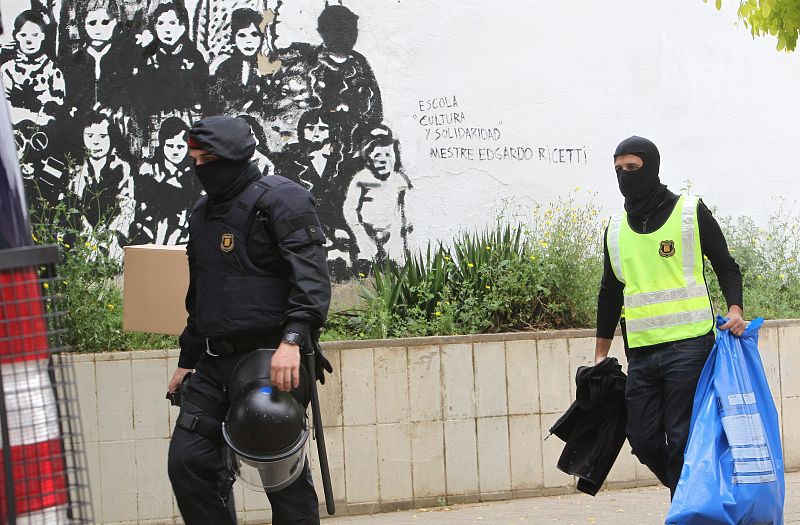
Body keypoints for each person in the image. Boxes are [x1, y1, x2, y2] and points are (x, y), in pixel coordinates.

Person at [166, 116, 331, 525]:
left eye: (209, 159)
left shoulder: (282, 199)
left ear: (237, 157)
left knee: (280, 472)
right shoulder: (203, 211)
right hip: (213, 361)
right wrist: (187, 358)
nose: (200, 168)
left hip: (272, 357)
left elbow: (310, 279)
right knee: (188, 462)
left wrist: (292, 341)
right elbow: (203, 292)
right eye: (195, 159)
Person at [593, 136, 745, 498]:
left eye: (632, 168)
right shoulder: (615, 229)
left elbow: (726, 265)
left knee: (681, 439)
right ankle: (696, 497)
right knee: (643, 440)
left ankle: (688, 509)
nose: (625, 176)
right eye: (618, 170)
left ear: (653, 167)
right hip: (642, 353)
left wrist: (735, 309)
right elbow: (609, 293)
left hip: (690, 348)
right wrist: (600, 354)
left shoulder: (691, 212)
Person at [272, 109, 358, 278]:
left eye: (323, 128)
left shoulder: (341, 161)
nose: (316, 133)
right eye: (310, 128)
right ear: (301, 131)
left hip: (336, 225)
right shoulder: (290, 161)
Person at [343, 134, 413, 263]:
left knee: (397, 263)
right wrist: (360, 233)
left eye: (388, 155)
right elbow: (349, 208)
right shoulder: (362, 179)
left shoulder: (398, 180)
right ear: (368, 159)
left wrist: (402, 230)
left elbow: (404, 209)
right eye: (377, 156)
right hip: (367, 232)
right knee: (367, 265)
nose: (383, 160)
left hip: (392, 233)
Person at [130, 116, 198, 245]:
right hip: (150, 226)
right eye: (170, 146)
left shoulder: (193, 173)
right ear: (162, 144)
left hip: (182, 231)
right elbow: (142, 205)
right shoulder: (149, 169)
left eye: (180, 147)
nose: (175, 151)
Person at [1, 9, 64, 127]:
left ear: (43, 36)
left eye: (35, 35)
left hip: (43, 131)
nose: (29, 41)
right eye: (23, 35)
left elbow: (57, 103)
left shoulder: (52, 69)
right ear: (16, 36)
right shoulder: (7, 69)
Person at [207, 8, 269, 115]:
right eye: (242, 35)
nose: (248, 41)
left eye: (254, 34)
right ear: (234, 38)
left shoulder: (267, 67)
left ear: (262, 37)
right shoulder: (224, 67)